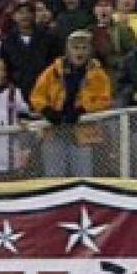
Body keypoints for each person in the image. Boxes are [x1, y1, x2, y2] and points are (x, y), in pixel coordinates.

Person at [30, 29, 112, 178]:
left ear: (90, 51)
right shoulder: (53, 71)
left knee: (83, 178)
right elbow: (37, 95)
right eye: (75, 48)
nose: (79, 52)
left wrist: (83, 109)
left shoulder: (98, 74)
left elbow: (104, 100)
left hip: (82, 132)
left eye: (84, 48)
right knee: (54, 178)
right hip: (55, 130)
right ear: (68, 50)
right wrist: (47, 110)